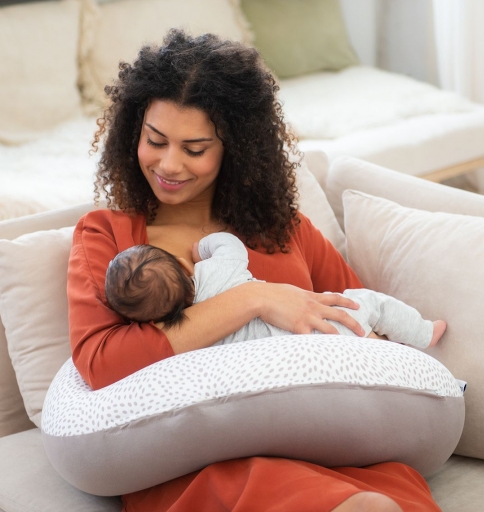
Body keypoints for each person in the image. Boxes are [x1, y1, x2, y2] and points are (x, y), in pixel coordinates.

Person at [68, 29, 442, 512]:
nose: (168, 164)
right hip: (200, 459)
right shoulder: (108, 236)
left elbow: (359, 321)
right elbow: (102, 362)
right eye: (155, 140)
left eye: (195, 148)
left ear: (234, 148)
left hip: (325, 440)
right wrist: (256, 298)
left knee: (378, 501)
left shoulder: (284, 229)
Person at [104, 232, 447, 348]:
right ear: (182, 267)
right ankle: (422, 333)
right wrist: (202, 248)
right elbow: (230, 245)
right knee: (372, 303)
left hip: (298, 359)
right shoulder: (217, 269)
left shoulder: (194, 335)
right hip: (324, 325)